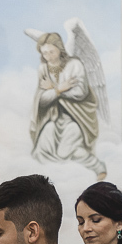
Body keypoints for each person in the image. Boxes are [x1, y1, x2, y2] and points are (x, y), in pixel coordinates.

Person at [30, 31, 106, 180]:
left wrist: (54, 89)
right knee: (42, 147)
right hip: (53, 117)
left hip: (76, 117)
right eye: (44, 53)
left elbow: (80, 92)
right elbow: (42, 99)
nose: (48, 56)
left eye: (51, 52)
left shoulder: (74, 65)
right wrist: (60, 89)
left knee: (67, 150)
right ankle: (52, 180)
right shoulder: (43, 69)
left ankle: (98, 167)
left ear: (60, 48)